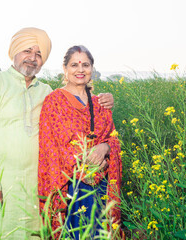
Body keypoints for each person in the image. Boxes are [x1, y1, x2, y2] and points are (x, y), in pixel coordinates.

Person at [0, 28, 114, 240]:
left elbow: (75, 102)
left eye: (39, 54)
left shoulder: (45, 92)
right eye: (27, 51)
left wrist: (105, 98)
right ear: (14, 52)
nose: (33, 58)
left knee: (30, 232)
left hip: (35, 184)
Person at [38, 45, 122, 239]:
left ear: (92, 68)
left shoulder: (100, 104)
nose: (80, 69)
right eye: (74, 65)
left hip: (101, 184)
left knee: (99, 232)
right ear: (65, 69)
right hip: (71, 186)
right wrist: (85, 167)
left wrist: (105, 147)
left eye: (85, 64)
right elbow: (52, 147)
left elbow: (113, 137)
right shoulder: (54, 102)